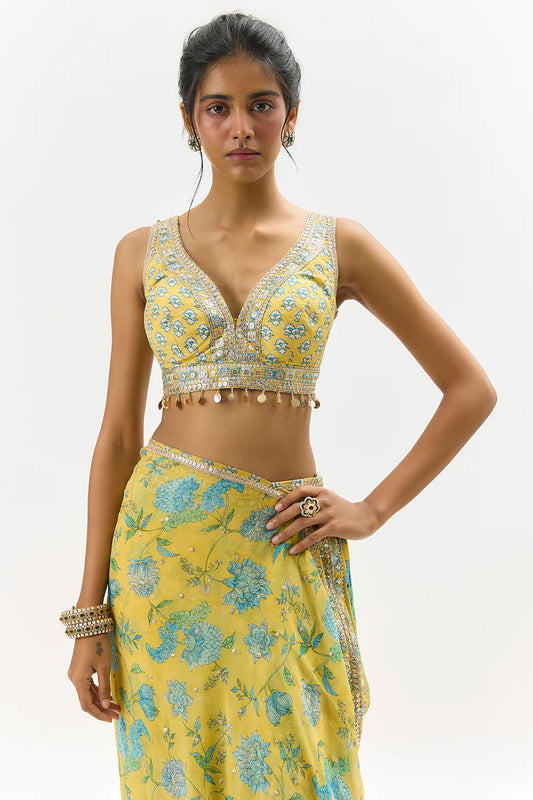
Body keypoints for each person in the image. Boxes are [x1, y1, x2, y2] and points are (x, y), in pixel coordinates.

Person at [61, 11, 497, 800]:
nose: (241, 127)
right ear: (189, 120)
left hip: (282, 544)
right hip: (162, 558)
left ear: (290, 115)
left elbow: (470, 390)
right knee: (179, 768)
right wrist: (92, 613)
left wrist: (371, 510)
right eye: (218, 107)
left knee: (300, 763)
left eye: (260, 105)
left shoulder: (339, 245)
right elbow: (118, 434)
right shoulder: (140, 253)